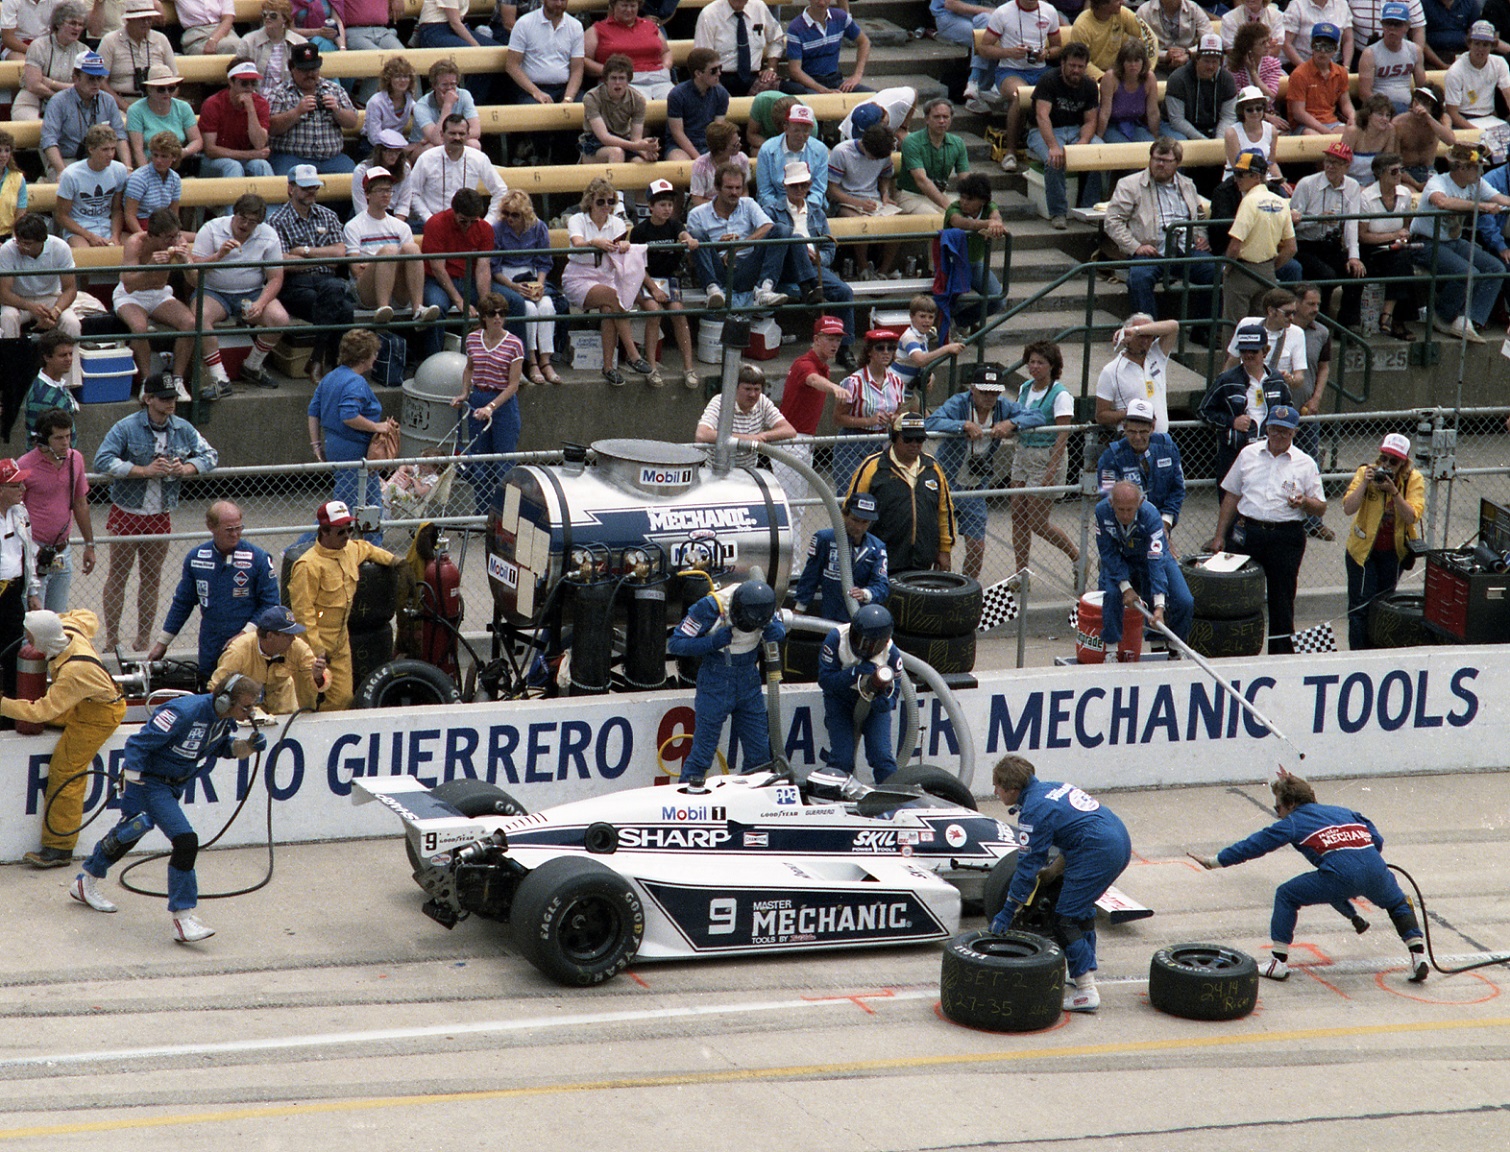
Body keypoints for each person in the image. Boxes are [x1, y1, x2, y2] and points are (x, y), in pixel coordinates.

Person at [71, 675, 267, 943]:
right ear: (224, 700)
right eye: (245, 707)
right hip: (150, 782)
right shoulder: (182, 712)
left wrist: (247, 747)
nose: (250, 713)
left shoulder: (222, 720)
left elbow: (222, 747)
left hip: (174, 784)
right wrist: (132, 787)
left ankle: (86, 880)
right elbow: (138, 744)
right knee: (186, 840)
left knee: (132, 831)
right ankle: (183, 918)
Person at [1190, 769, 1429, 984]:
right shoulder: (1346, 811)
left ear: (1291, 804)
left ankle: (1278, 963)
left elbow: (1254, 845)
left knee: (1287, 894)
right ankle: (1418, 957)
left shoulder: (1294, 821)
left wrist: (1215, 862)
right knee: (1397, 902)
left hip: (1340, 876)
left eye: (1278, 808)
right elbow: (1377, 840)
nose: (1279, 814)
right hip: (1375, 869)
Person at [989, 755, 1132, 1014]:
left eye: (998, 786)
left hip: (1098, 850)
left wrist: (1008, 910)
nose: (995, 791)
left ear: (1013, 788)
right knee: (1082, 910)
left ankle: (1087, 991)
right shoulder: (1052, 787)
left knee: (1064, 919)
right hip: (1118, 840)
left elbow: (1027, 866)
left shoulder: (1033, 811)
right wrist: (1054, 871)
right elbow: (1075, 832)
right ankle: (1082, 971)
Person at [93, 375, 218, 653]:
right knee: (118, 575)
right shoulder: (126, 427)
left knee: (152, 577)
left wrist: (186, 469)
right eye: (163, 398)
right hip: (127, 510)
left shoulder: (183, 428)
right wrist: (143, 471)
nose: (170, 403)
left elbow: (210, 455)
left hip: (160, 512)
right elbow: (102, 460)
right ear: (147, 399)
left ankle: (143, 640)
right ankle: (112, 640)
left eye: (172, 398)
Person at [0, 608, 123, 869]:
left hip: (99, 714)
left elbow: (41, 711)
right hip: (82, 701)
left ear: (44, 638)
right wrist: (56, 617)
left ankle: (59, 848)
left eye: (30, 636)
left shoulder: (74, 671)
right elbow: (89, 615)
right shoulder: (70, 627)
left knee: (65, 770)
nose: (27, 640)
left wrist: (2, 704)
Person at [1208, 404, 1325, 654]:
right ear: (1267, 428)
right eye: (1273, 430)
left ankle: (1280, 656)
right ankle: (1234, 649)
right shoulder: (1248, 454)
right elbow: (1231, 495)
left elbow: (1321, 507)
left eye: (1284, 432)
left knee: (1281, 601)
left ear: (1294, 432)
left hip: (1285, 536)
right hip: (1247, 531)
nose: (1278, 436)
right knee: (1235, 594)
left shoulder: (1305, 463)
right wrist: (1219, 535)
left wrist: (1304, 502)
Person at [925, 362, 1048, 580]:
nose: (989, 397)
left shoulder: (1002, 407)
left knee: (977, 547)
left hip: (976, 485)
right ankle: (938, 587)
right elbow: (932, 422)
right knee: (940, 548)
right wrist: (962, 425)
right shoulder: (959, 403)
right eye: (984, 392)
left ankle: (967, 589)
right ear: (972, 389)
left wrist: (1011, 423)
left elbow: (1037, 416)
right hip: (946, 484)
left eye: (994, 392)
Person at [664, 576, 785, 784]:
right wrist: (712, 642)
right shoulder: (711, 606)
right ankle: (687, 802)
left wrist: (779, 631)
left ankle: (750, 806)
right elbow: (675, 643)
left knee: (760, 756)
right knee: (702, 755)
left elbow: (780, 625)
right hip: (715, 680)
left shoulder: (765, 602)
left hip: (749, 680)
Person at [286, 499, 400, 710]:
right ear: (325, 531)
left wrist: (395, 561)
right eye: (341, 531)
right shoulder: (307, 566)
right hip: (314, 648)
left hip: (340, 645)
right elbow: (303, 614)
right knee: (310, 703)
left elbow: (367, 548)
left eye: (349, 529)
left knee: (343, 700)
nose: (347, 535)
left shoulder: (349, 550)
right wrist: (317, 649)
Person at [146, 500, 278, 675]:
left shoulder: (258, 558)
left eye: (239, 528)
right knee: (209, 691)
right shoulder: (196, 558)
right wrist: (163, 643)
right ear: (211, 527)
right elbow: (182, 603)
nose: (235, 534)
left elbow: (271, 604)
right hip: (211, 643)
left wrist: (244, 634)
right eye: (229, 530)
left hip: (248, 645)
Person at [1104, 136, 1217, 320]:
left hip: (1185, 250)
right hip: (1150, 251)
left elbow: (1200, 215)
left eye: (1166, 161)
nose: (1160, 164)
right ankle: (1149, 334)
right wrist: (1135, 247)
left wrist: (1201, 236)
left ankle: (1203, 330)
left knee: (1218, 271)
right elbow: (1113, 221)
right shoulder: (1129, 184)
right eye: (1156, 159)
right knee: (1138, 279)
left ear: (1177, 163)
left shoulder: (1188, 184)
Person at [190, 192, 292, 389]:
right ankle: (219, 377)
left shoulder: (269, 234)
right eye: (242, 218)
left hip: (252, 291)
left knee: (280, 319)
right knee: (199, 319)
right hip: (214, 292)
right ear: (234, 214)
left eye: (252, 222)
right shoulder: (212, 228)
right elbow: (195, 267)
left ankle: (252, 366)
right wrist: (219, 255)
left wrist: (261, 303)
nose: (245, 225)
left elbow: (276, 278)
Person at [1411, 143, 1510, 344]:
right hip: (1426, 243)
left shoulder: (1477, 183)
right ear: (1462, 168)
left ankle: (1470, 319)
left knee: (1496, 268)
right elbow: (1443, 202)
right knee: (1468, 272)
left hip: (1454, 241)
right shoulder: (1438, 183)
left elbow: (1501, 198)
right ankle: (1442, 315)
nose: (1480, 171)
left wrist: (1496, 203)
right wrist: (1480, 206)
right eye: (1476, 167)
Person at [563, 177, 655, 387]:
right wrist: (593, 242)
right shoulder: (577, 219)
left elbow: (619, 251)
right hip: (579, 276)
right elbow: (577, 244)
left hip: (605, 277)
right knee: (614, 299)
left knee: (609, 306)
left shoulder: (617, 223)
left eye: (610, 201)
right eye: (601, 202)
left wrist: (624, 245)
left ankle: (608, 367)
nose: (606, 206)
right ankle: (632, 354)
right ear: (590, 202)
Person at [271, 164, 355, 385]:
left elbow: (340, 253)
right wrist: (322, 258)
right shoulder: (277, 220)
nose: (311, 192)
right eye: (306, 187)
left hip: (326, 282)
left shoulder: (328, 215)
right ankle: (338, 370)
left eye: (314, 187)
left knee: (337, 296)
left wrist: (305, 252)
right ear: (291, 188)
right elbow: (282, 262)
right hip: (296, 286)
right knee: (342, 306)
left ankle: (318, 360)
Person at [846, 411, 956, 575]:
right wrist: (852, 546)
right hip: (879, 559)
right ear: (894, 437)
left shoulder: (932, 468)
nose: (914, 444)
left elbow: (944, 512)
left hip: (922, 559)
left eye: (919, 439)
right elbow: (849, 510)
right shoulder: (872, 467)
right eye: (908, 439)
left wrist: (944, 550)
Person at [1342, 433, 1423, 650]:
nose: (1386, 465)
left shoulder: (1412, 479)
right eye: (1383, 459)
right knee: (1360, 607)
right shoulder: (1365, 472)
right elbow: (1348, 508)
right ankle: (1358, 655)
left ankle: (1377, 653)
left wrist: (1394, 492)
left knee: (1383, 608)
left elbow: (1412, 516)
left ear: (1403, 464)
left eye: (1393, 462)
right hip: (1362, 552)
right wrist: (1365, 483)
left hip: (1393, 553)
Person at [1094, 478, 1194, 655]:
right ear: (1111, 503)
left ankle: (1176, 648)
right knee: (1111, 593)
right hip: (1120, 559)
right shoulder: (1101, 512)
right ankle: (1110, 650)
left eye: (1130, 510)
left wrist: (1159, 606)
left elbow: (1156, 561)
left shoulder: (1152, 516)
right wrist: (1126, 588)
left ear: (1139, 503)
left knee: (1185, 600)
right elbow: (1108, 553)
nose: (1125, 515)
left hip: (1154, 557)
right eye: (1120, 510)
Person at [776, 315, 852, 542]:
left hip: (804, 442)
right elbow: (812, 379)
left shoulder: (823, 367)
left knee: (796, 510)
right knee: (792, 510)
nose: (835, 344)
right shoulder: (804, 363)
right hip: (791, 441)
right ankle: (792, 570)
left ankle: (793, 568)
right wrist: (834, 388)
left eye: (838, 339)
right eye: (830, 338)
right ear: (817, 339)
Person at [308, 328, 397, 521]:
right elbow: (349, 416)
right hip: (354, 449)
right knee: (341, 509)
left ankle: (373, 546)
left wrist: (316, 445)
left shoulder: (331, 377)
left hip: (335, 445)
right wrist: (377, 427)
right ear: (365, 357)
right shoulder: (355, 382)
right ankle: (301, 547)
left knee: (372, 504)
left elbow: (313, 411)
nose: (376, 357)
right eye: (374, 353)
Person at [1008, 339, 1080, 577]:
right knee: (1018, 513)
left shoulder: (1060, 394)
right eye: (1031, 362)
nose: (1034, 367)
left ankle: (1077, 556)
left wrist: (1052, 469)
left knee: (1037, 522)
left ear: (1051, 365)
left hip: (1046, 456)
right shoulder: (1025, 388)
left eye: (1040, 362)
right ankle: (1021, 572)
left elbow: (1063, 433)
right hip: (1022, 454)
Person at [450, 293, 523, 516]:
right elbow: (469, 368)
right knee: (479, 463)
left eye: (502, 314)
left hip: (502, 403)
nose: (498, 318)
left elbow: (513, 385)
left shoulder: (514, 344)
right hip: (478, 397)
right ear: (484, 317)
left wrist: (491, 407)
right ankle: (482, 513)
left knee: (503, 464)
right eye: (493, 314)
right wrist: (465, 393)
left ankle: (504, 516)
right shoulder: (473, 339)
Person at [817, 602, 904, 784]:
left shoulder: (892, 654)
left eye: (872, 644)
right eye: (860, 640)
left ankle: (892, 800)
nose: (865, 647)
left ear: (884, 642)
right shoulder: (836, 639)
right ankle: (835, 798)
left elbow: (894, 690)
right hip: (840, 701)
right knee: (842, 759)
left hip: (873, 704)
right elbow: (825, 680)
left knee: (882, 757)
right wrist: (854, 672)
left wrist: (885, 702)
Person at [687, 163, 791, 312]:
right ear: (717, 187)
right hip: (718, 268)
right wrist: (720, 246)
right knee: (697, 234)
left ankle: (765, 289)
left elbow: (768, 227)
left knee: (783, 229)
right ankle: (713, 290)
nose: (734, 192)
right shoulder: (697, 214)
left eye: (738, 188)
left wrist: (736, 247)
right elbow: (692, 258)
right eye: (729, 188)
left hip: (747, 267)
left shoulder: (748, 203)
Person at [114, 208, 197, 394]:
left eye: (176, 236)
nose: (174, 241)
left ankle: (178, 380)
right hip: (131, 296)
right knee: (139, 328)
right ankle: (147, 381)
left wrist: (187, 263)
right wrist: (150, 265)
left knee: (190, 323)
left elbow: (195, 281)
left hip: (159, 294)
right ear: (152, 235)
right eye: (168, 238)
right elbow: (128, 284)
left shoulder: (179, 242)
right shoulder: (135, 243)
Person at [19, 408, 94, 612]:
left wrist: (89, 544)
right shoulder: (25, 465)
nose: (65, 443)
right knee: (35, 620)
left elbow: (80, 503)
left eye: (68, 436)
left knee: (58, 618)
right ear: (43, 440)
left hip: (62, 550)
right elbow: (15, 513)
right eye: (59, 438)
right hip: (34, 552)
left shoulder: (75, 460)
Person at [1201, 323, 1295, 485]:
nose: (1248, 355)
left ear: (1265, 351)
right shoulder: (1226, 380)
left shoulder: (1276, 379)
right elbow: (1204, 410)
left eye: (1254, 351)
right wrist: (1232, 422)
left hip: (1270, 450)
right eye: (1244, 351)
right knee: (1230, 502)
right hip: (1235, 451)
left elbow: (1288, 410)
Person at [1288, 142, 1367, 328]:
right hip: (1305, 245)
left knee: (1357, 273)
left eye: (1336, 163)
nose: (1330, 166)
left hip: (1331, 244)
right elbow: (1291, 224)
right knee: (1327, 275)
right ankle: (1318, 323)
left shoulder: (1352, 186)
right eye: (1328, 161)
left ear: (1347, 167)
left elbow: (1352, 223)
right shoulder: (1307, 184)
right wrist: (1317, 219)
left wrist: (1354, 256)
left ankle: (1348, 325)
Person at [345, 167, 435, 327]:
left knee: (412, 249)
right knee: (390, 251)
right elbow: (356, 270)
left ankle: (418, 309)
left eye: (388, 190)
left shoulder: (401, 227)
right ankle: (383, 308)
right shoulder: (353, 226)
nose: (386, 194)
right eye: (380, 190)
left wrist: (378, 264)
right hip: (366, 289)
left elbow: (408, 263)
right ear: (367, 194)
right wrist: (382, 263)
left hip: (397, 286)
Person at [1221, 148, 1299, 333]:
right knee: (1262, 328)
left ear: (1256, 177)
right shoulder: (1280, 201)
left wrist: (1228, 268)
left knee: (1234, 328)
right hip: (1267, 271)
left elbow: (1235, 245)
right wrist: (1270, 268)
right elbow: (1291, 248)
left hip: (1241, 269)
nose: (1236, 179)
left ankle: (1233, 362)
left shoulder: (1249, 201)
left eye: (1241, 175)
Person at [978, 0, 1062, 168]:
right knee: (1021, 95)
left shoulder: (1049, 11)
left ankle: (1049, 141)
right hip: (1009, 70)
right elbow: (983, 48)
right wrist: (1009, 52)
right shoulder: (1003, 12)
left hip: (1039, 69)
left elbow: (1058, 47)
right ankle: (1010, 152)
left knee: (1061, 89)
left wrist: (1045, 53)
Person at [1028, 40, 1103, 231]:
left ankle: (1089, 207)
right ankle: (1058, 212)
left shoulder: (1089, 86)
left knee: (1100, 153)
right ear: (1063, 63)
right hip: (1045, 130)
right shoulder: (1049, 80)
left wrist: (1084, 142)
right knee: (1054, 159)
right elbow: (1042, 116)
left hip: (1076, 129)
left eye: (1080, 66)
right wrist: (1053, 146)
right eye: (1072, 65)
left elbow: (1090, 121)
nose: (1076, 70)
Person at [630, 179, 696, 389]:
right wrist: (653, 289)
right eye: (662, 204)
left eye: (670, 204)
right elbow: (638, 267)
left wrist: (689, 239)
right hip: (646, 278)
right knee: (653, 311)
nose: (667, 209)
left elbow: (682, 233)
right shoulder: (640, 231)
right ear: (650, 207)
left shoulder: (674, 225)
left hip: (668, 278)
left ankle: (688, 366)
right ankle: (651, 366)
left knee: (678, 311)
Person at [0, 212, 106, 341]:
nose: (21, 247)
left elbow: (70, 289)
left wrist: (55, 312)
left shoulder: (60, 247)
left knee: (71, 323)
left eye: (27, 243)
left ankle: (72, 361)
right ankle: (9, 360)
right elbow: (4, 294)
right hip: (18, 300)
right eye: (18, 242)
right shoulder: (7, 250)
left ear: (42, 241)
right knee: (7, 318)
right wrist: (29, 306)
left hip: (51, 298)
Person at [207, 604, 328, 715]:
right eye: (288, 635)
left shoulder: (297, 647)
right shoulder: (239, 651)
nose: (293, 639)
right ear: (270, 636)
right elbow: (216, 688)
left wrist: (317, 676)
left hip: (284, 711)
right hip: (246, 715)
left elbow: (323, 679)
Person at [419, 187, 494, 361]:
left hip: (470, 281)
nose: (468, 225)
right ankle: (432, 363)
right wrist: (460, 301)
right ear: (454, 212)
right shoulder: (436, 224)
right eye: (463, 221)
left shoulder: (485, 228)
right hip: (438, 282)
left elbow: (483, 268)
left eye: (473, 221)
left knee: (512, 302)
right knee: (436, 308)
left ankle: (514, 362)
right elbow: (438, 268)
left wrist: (485, 304)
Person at [792, 491, 890, 622]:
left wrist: (865, 593)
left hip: (860, 618)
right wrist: (800, 608)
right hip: (829, 613)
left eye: (865, 522)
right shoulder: (824, 539)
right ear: (844, 515)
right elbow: (811, 576)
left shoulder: (877, 548)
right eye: (855, 520)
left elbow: (882, 585)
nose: (859, 527)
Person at [1097, 396, 1185, 539]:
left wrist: (1165, 522)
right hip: (1125, 530)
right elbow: (1108, 498)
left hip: (1162, 524)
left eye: (1143, 432)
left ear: (1152, 427)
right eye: (1132, 432)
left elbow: (1177, 489)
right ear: (1124, 427)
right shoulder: (1110, 458)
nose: (1137, 437)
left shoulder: (1167, 448)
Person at [833, 327, 906, 494]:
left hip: (883, 441)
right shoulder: (853, 382)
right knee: (851, 493)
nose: (886, 352)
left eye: (891, 348)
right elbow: (837, 418)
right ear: (869, 353)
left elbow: (898, 412)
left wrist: (893, 418)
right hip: (853, 443)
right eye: (880, 348)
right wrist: (868, 420)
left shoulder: (897, 382)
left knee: (882, 493)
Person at [266, 42, 357, 176]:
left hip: (332, 159)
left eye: (313, 69)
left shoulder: (333, 89)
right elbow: (271, 128)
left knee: (355, 178)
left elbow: (352, 121)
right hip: (291, 158)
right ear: (292, 68)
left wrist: (337, 110)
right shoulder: (280, 93)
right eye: (304, 70)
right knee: (284, 181)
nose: (310, 74)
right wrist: (297, 112)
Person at [39, 50, 129, 180]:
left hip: (101, 159)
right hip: (68, 159)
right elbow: (49, 140)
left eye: (99, 78)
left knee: (125, 179)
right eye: (91, 78)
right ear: (76, 78)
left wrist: (127, 167)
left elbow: (120, 136)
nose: (96, 83)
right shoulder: (58, 101)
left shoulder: (108, 100)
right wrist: (61, 171)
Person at [1359, 153, 1420, 339]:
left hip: (1396, 246)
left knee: (1403, 258)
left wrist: (1402, 237)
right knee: (1402, 262)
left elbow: (1406, 225)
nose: (1399, 174)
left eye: (1401, 170)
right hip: (1372, 248)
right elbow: (1362, 236)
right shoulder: (1366, 198)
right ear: (1380, 173)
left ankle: (1389, 315)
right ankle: (1394, 318)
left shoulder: (1404, 194)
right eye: (1394, 171)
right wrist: (1393, 235)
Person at [408, 114, 508, 227]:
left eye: (461, 134)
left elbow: (500, 191)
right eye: (452, 133)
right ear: (442, 135)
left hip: (467, 225)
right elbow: (412, 192)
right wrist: (429, 219)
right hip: (433, 224)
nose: (457, 138)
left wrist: (488, 222)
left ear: (468, 135)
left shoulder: (479, 158)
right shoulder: (426, 158)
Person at [827, 121, 898, 278]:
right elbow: (832, 190)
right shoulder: (842, 152)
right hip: (846, 200)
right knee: (860, 220)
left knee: (898, 223)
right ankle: (863, 266)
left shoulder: (883, 153)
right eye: (873, 157)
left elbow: (886, 176)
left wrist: (885, 194)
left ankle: (883, 270)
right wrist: (858, 203)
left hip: (874, 199)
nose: (875, 160)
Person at [694, 362, 796, 468]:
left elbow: (789, 430)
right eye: (747, 389)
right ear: (735, 388)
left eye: (757, 389)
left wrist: (763, 436)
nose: (752, 394)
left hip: (748, 470)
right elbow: (701, 434)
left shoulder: (763, 401)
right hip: (717, 470)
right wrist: (747, 439)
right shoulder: (720, 401)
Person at [0, 458, 41, 708]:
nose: (22, 490)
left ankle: (12, 708)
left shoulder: (21, 512)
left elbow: (29, 554)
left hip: (14, 590)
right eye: (16, 485)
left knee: (14, 648)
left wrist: (33, 591)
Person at [1094, 314, 1179, 432]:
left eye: (1148, 336)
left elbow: (1174, 326)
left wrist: (1136, 330)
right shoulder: (1111, 371)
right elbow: (1101, 416)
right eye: (1139, 336)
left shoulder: (1156, 355)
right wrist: (1130, 413)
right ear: (1127, 337)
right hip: (1132, 441)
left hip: (1162, 440)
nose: (1144, 341)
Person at [943, 172, 1009, 324]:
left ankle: (961, 322)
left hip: (974, 264)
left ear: (982, 201)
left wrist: (996, 221)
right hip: (951, 265)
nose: (964, 202)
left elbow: (995, 215)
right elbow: (962, 223)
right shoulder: (954, 209)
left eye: (970, 199)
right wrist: (988, 224)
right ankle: (944, 327)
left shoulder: (989, 207)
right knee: (946, 302)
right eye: (962, 197)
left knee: (997, 299)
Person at [504, 0, 584, 124]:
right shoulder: (524, 23)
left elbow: (577, 69)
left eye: (562, 0)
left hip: (564, 88)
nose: (558, 4)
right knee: (535, 112)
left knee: (584, 107)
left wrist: (568, 99)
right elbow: (511, 65)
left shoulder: (576, 26)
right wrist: (536, 92)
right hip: (532, 89)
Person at [53, 124, 128, 250]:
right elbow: (62, 215)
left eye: (113, 149)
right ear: (91, 149)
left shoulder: (119, 170)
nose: (110, 154)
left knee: (135, 246)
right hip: (79, 229)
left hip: (107, 225)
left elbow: (116, 209)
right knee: (87, 255)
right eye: (105, 150)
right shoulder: (71, 174)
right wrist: (90, 236)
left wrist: (115, 236)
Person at [1220, 286, 1306, 394]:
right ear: (1271, 311)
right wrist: (1221, 386)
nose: (1292, 318)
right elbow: (1232, 361)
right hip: (1244, 389)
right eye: (1287, 313)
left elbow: (1300, 377)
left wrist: (1291, 379)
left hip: (1275, 394)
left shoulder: (1297, 333)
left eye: (1294, 313)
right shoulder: (1247, 324)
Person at [199, 59, 274, 180]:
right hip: (216, 161)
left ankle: (273, 199)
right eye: (244, 83)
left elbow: (259, 144)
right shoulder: (213, 104)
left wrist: (250, 108)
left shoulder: (260, 103)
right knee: (233, 166)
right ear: (231, 82)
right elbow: (210, 150)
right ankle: (233, 199)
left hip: (247, 159)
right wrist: (249, 154)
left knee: (261, 165)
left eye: (253, 83)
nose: (249, 88)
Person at [14, 2, 90, 121]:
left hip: (71, 104)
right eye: (72, 23)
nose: (77, 28)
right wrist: (60, 98)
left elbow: (85, 88)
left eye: (80, 24)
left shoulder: (85, 51)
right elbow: (34, 86)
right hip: (33, 103)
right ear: (59, 23)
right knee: (44, 127)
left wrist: (50, 83)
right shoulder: (39, 46)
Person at [580, 52, 658, 166]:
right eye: (613, 78)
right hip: (595, 145)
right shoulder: (591, 97)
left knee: (640, 162)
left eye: (621, 78)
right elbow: (604, 137)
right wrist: (637, 146)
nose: (617, 83)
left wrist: (646, 148)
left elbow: (635, 138)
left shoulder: (638, 100)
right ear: (606, 80)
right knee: (616, 153)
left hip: (625, 141)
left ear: (628, 81)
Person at [585, 0, 672, 100]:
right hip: (622, 81)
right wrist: (609, 71)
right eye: (624, 6)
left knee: (677, 102)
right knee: (638, 105)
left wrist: (666, 66)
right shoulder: (598, 29)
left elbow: (666, 52)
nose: (629, 10)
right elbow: (585, 59)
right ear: (614, 5)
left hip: (659, 79)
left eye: (633, 6)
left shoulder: (650, 26)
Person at [98, 0, 175, 113]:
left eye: (149, 18)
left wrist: (162, 104)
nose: (147, 22)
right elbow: (100, 81)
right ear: (129, 19)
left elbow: (174, 78)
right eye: (142, 18)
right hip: (121, 103)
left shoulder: (161, 39)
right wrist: (125, 106)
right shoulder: (110, 41)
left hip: (158, 102)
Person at [694, 0, 782, 99]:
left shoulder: (759, 6)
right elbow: (702, 57)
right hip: (719, 77)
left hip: (754, 76)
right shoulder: (709, 14)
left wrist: (771, 69)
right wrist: (718, 86)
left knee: (796, 91)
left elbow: (776, 39)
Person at [895, 96, 969, 213]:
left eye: (945, 117)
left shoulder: (958, 143)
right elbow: (921, 180)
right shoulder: (911, 141)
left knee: (968, 215)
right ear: (927, 119)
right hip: (911, 196)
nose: (941, 121)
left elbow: (965, 180)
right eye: (936, 117)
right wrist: (949, 208)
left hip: (941, 194)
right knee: (937, 218)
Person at [754, 101, 829, 216]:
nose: (801, 135)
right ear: (786, 128)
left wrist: (805, 209)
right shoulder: (767, 150)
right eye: (796, 130)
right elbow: (765, 192)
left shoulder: (821, 150)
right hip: (775, 209)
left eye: (805, 131)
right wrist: (784, 211)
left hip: (810, 208)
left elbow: (818, 190)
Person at [783, 0, 871, 96]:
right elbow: (795, 71)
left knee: (876, 97)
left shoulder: (840, 17)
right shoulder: (795, 28)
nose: (822, 3)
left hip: (835, 80)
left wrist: (857, 75)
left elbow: (864, 42)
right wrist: (823, 90)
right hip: (808, 85)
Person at [1163, 33, 1237, 146]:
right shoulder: (1178, 78)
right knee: (1179, 145)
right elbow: (1177, 120)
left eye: (1215, 62)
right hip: (1176, 127)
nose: (1211, 66)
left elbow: (1228, 116)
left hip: (1214, 127)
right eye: (1206, 61)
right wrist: (1204, 142)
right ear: (1197, 58)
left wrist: (1219, 140)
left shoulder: (1227, 79)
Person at [126, 64, 201, 171]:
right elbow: (137, 150)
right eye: (161, 89)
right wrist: (145, 174)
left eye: (171, 88)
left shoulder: (183, 107)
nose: (167, 93)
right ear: (149, 89)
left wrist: (184, 152)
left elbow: (197, 140)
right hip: (150, 165)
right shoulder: (135, 110)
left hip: (179, 164)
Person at [1288, 22, 1354, 136]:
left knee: (1353, 132)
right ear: (1312, 46)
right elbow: (1299, 113)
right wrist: (1325, 131)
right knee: (1314, 137)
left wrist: (1353, 118)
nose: (1322, 51)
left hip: (1331, 121)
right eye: (1318, 46)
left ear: (1335, 50)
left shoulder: (1341, 72)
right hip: (1305, 124)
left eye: (1328, 47)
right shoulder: (1299, 74)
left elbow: (1345, 103)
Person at [664, 46, 729, 162]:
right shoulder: (677, 94)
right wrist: (699, 159)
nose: (719, 73)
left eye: (720, 68)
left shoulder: (722, 94)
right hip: (679, 146)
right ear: (698, 73)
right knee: (681, 164)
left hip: (708, 144)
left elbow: (718, 130)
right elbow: (677, 133)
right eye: (713, 70)